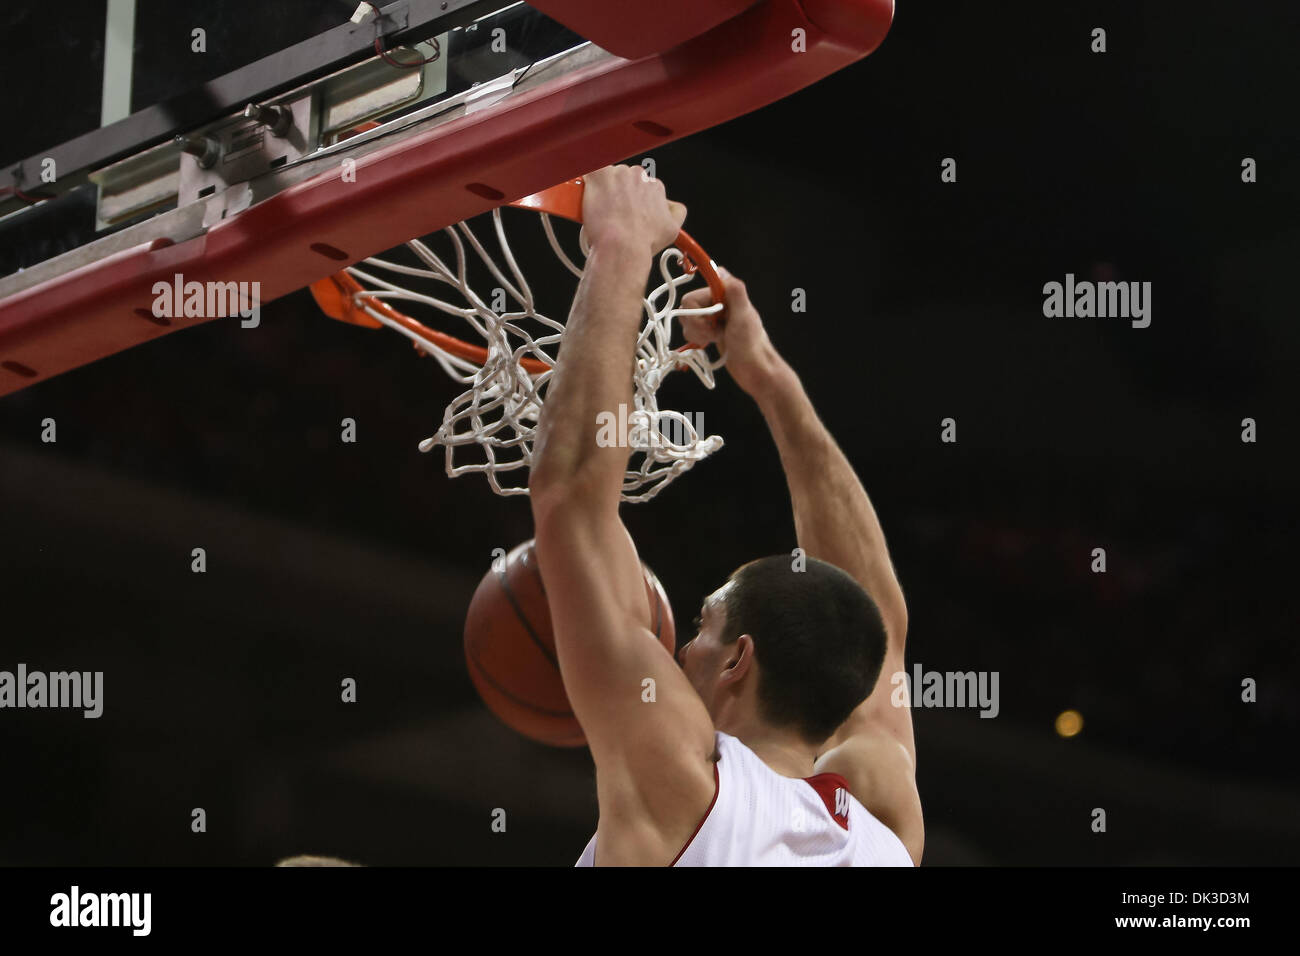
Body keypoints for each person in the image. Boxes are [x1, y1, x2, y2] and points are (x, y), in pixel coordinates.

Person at [529, 165, 921, 866]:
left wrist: (622, 244)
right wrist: (765, 372)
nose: (684, 650)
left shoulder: (687, 783)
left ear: (740, 659)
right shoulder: (883, 829)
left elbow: (571, 498)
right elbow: (876, 623)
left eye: (705, 625)